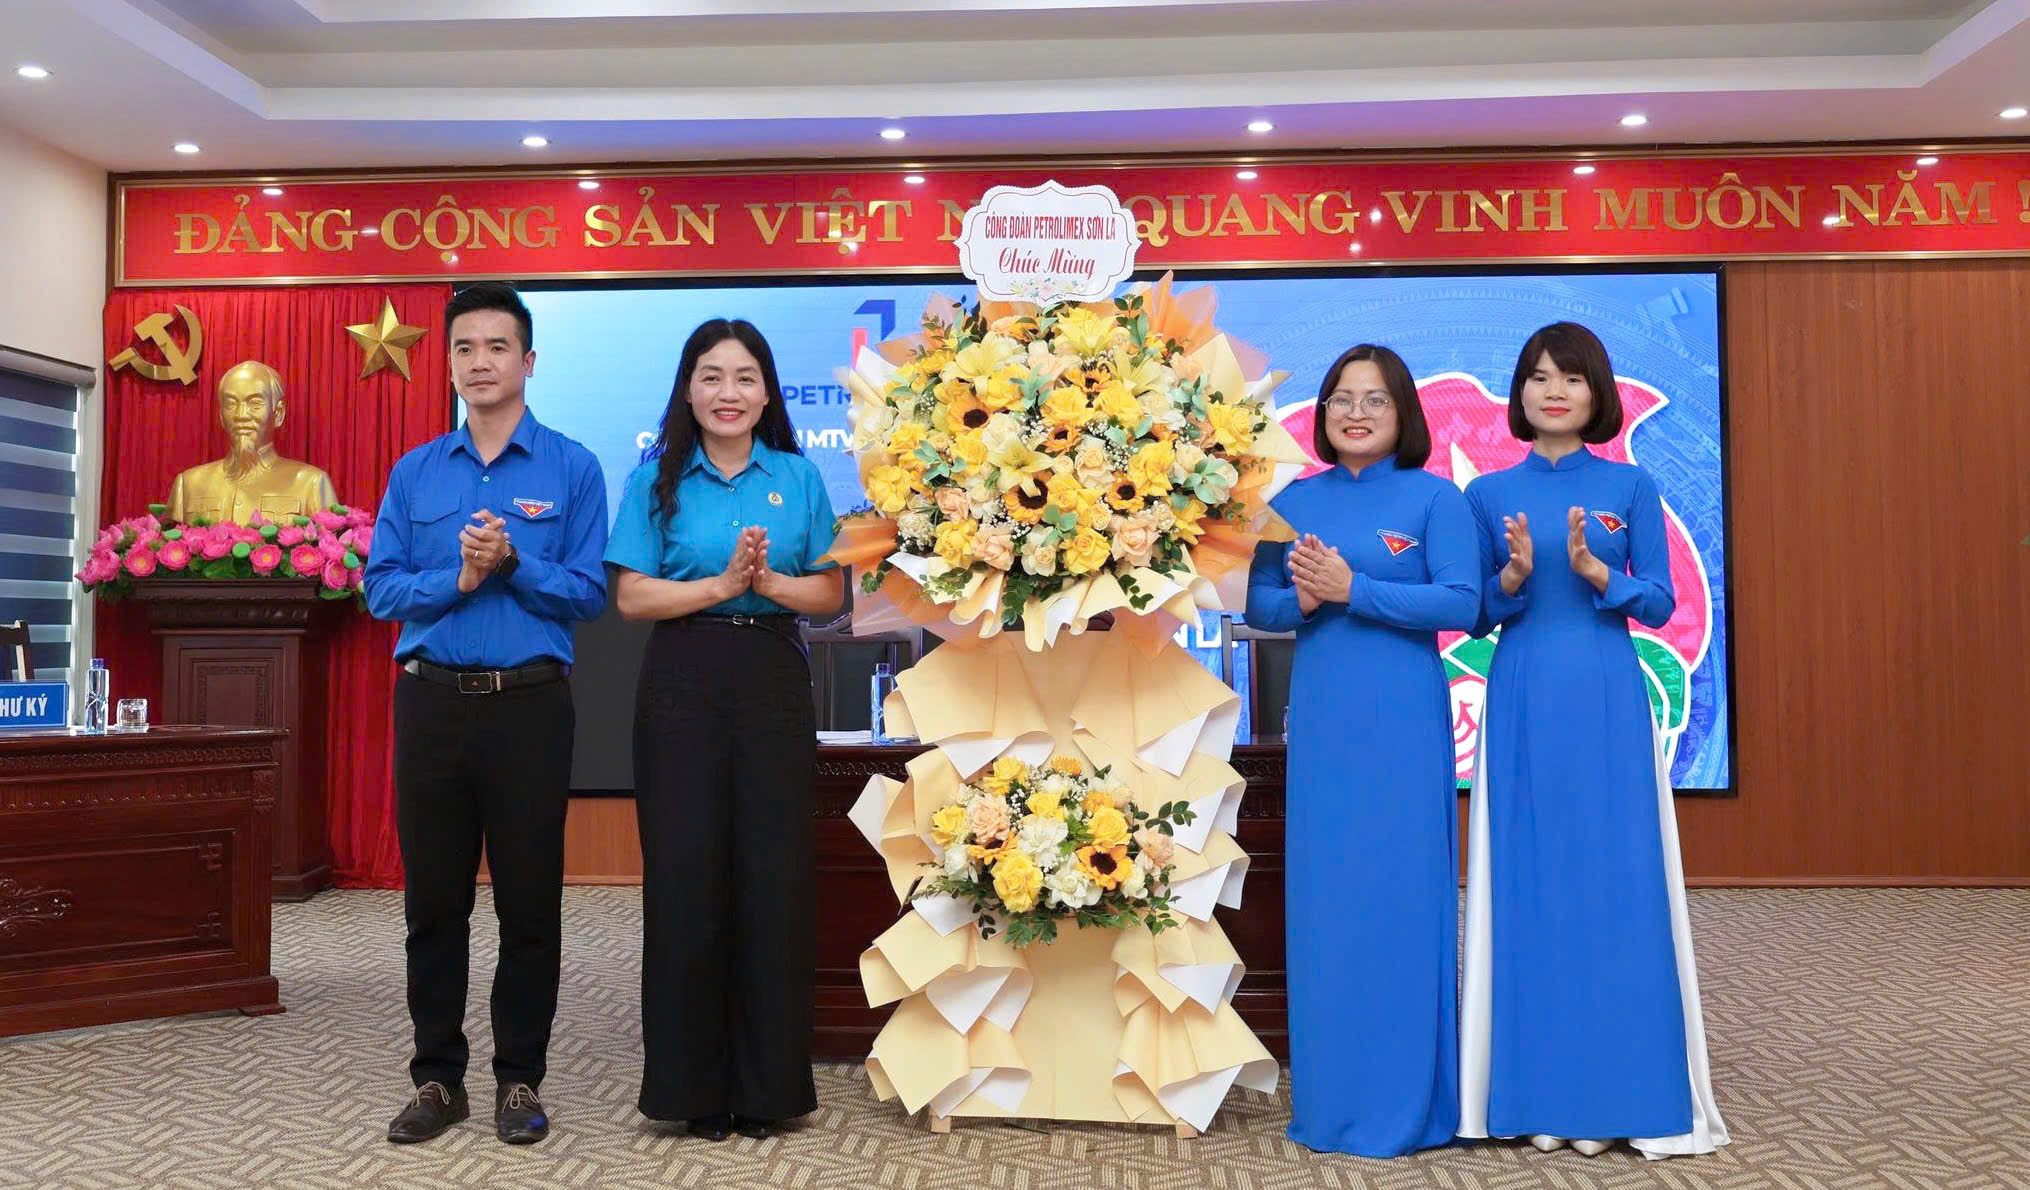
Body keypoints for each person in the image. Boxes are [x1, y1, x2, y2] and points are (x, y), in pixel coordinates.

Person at [1457, 321, 1728, 1159]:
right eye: (1539, 376)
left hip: (1608, 697)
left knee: (1614, 882)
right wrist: (1510, 579)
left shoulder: (1632, 487)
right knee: (1529, 884)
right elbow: (1474, 613)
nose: (1554, 391)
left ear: (1596, 392)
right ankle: (1535, 1095)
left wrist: (1597, 572)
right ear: (1520, 392)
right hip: (1522, 696)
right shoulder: (1487, 494)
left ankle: (1622, 1092)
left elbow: (1661, 603)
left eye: (1570, 378)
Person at [363, 282, 609, 1146]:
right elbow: (380, 589)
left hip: (530, 708)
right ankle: (437, 1080)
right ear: (449, 364)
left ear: (528, 361)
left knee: (529, 907)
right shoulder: (416, 470)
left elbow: (588, 594)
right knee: (433, 907)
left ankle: (518, 1080)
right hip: (431, 703)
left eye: (497, 346)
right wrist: (459, 578)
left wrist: (511, 565)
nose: (480, 362)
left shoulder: (573, 467)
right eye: (464, 348)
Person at [605, 318, 842, 1142]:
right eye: (711, 376)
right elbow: (632, 598)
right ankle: (691, 1090)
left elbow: (830, 596)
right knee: (686, 876)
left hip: (772, 678)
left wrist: (767, 583)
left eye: (744, 377)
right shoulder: (655, 480)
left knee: (773, 877)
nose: (728, 393)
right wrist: (721, 584)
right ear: (688, 389)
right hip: (684, 678)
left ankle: (769, 1089)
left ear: (768, 392)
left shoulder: (799, 476)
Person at [1244, 344, 1477, 1156]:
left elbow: (1463, 602)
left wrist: (1357, 590)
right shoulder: (1290, 502)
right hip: (1325, 724)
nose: (1356, 412)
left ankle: (1413, 1101)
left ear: (1403, 411)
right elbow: (1264, 608)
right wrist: (1308, 601)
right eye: (1342, 397)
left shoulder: (1436, 499)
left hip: (1405, 721)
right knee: (1328, 904)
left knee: (1402, 897)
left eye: (1375, 399)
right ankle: (1334, 1100)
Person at [166, 360, 337, 524]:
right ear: (221, 415)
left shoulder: (311, 484)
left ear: (278, 413)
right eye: (231, 404)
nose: (241, 415)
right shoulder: (188, 484)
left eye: (255, 404)